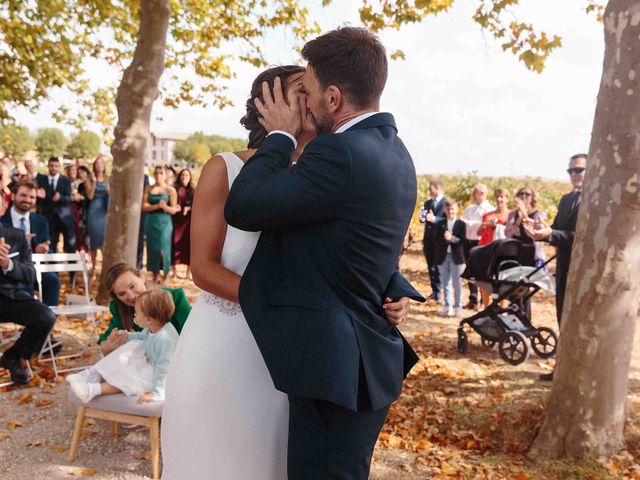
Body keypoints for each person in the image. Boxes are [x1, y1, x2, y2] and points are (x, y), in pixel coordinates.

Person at [161, 61, 418, 479]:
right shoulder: (225, 168)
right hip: (230, 344)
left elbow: (353, 251)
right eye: (301, 90)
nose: (314, 98)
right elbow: (203, 268)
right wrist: (276, 303)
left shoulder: (331, 168)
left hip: (305, 350)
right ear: (269, 104)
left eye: (312, 89)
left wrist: (389, 293)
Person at [224, 27, 423, 480]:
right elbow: (353, 240)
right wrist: (390, 289)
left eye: (309, 92)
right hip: (347, 358)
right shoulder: (395, 150)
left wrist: (278, 137)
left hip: (335, 364)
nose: (306, 104)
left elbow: (244, 207)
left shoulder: (339, 153)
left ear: (332, 97)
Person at [524, 153, 587, 381]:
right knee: (563, 320)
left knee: (581, 325)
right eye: (570, 171)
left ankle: (580, 373)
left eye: (578, 170)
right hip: (563, 270)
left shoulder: (598, 200)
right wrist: (541, 230)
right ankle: (562, 370)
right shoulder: (566, 199)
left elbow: (584, 237)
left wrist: (552, 233)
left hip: (585, 273)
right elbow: (557, 232)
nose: (574, 175)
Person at [67, 288, 179, 404]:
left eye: (136, 312)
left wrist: (157, 393)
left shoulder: (165, 340)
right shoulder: (154, 327)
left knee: (127, 380)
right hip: (150, 365)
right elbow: (142, 337)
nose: (134, 314)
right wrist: (126, 336)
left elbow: (164, 368)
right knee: (132, 346)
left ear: (148, 319)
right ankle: (93, 373)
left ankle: (92, 390)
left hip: (159, 376)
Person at [0, 221, 56, 384]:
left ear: (3, 208)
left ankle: (13, 357)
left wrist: (7, 264)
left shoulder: (17, 235)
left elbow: (30, 274)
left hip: (13, 298)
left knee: (46, 317)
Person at [97, 262, 191, 357]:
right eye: (122, 294)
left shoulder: (175, 298)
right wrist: (110, 344)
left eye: (132, 286)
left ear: (142, 277)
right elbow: (104, 347)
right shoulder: (120, 308)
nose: (131, 296)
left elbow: (193, 336)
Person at [0, 178, 60, 306]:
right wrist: (19, 243)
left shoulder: (41, 220)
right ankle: (31, 318)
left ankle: (47, 321)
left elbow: (48, 246)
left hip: (34, 266)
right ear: (13, 196)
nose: (27, 200)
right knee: (26, 281)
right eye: (23, 195)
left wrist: (43, 248)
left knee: (53, 281)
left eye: (32, 197)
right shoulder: (3, 221)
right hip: (10, 270)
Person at [143, 166, 180, 283]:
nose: (158, 175)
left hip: (165, 222)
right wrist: (157, 206)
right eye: (156, 173)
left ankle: (166, 274)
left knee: (164, 248)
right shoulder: (148, 188)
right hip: (151, 221)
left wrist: (165, 207)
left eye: (161, 173)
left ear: (165, 175)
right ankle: (155, 274)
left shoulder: (170, 190)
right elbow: (144, 207)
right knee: (152, 248)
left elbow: (174, 210)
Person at [460, 184, 494, 310]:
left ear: (485, 194)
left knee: (482, 272)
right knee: (470, 271)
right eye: (475, 192)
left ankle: (483, 300)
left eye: (480, 193)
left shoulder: (489, 209)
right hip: (469, 241)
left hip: (481, 242)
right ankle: (473, 299)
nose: (477, 195)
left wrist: (472, 223)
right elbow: (463, 222)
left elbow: (484, 225)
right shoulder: (469, 208)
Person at [477, 188, 510, 306]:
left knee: (502, 283)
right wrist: (484, 226)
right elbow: (479, 233)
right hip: (487, 251)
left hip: (503, 253)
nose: (499, 199)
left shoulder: (510, 215)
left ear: (507, 199)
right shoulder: (488, 215)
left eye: (502, 197)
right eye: (497, 197)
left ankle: (502, 310)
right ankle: (486, 309)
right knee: (485, 282)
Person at [35, 156, 76, 253]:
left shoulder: (65, 180)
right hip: (49, 217)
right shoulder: (41, 180)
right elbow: (38, 199)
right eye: (51, 166)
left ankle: (72, 267)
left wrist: (60, 197)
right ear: (48, 166)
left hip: (65, 218)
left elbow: (69, 198)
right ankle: (52, 267)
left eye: (56, 166)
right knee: (52, 243)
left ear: (59, 167)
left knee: (70, 244)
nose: (53, 168)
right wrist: (41, 197)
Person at [434, 199, 467, 317]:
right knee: (445, 282)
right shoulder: (440, 223)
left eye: (452, 209)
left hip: (457, 257)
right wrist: (444, 239)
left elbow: (463, 241)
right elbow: (436, 239)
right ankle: (447, 306)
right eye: (448, 209)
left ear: (456, 210)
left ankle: (458, 307)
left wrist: (451, 238)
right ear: (445, 210)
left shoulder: (461, 224)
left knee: (457, 283)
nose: (450, 211)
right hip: (443, 256)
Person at [505, 187, 546, 267]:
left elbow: (534, 232)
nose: (524, 196)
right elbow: (507, 234)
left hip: (532, 253)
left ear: (532, 197)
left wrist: (524, 213)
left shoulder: (538, 215)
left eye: (527, 194)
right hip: (515, 252)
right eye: (521, 194)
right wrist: (518, 220)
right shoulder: (512, 215)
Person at [419, 180, 446, 303]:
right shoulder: (427, 203)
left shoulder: (446, 203)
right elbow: (423, 218)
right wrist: (422, 217)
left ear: (437, 188)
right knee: (430, 266)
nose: (429, 191)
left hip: (439, 240)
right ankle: (435, 291)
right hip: (428, 239)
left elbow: (447, 220)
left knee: (438, 266)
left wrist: (434, 219)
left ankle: (440, 292)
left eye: (431, 189)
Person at [85, 157, 110, 277]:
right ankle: (93, 268)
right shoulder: (89, 179)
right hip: (93, 210)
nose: (99, 166)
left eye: (102, 164)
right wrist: (94, 182)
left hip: (104, 212)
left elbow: (111, 194)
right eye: (97, 164)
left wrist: (108, 186)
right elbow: (90, 196)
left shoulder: (107, 179)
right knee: (94, 241)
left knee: (104, 241)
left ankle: (105, 269)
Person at [170, 168, 194, 279]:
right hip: (176, 221)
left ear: (190, 178)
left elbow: (198, 205)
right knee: (174, 244)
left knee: (189, 246)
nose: (185, 177)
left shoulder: (193, 190)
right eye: (183, 175)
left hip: (188, 222)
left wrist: (189, 208)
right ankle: (174, 272)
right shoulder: (174, 189)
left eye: (187, 175)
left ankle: (188, 273)